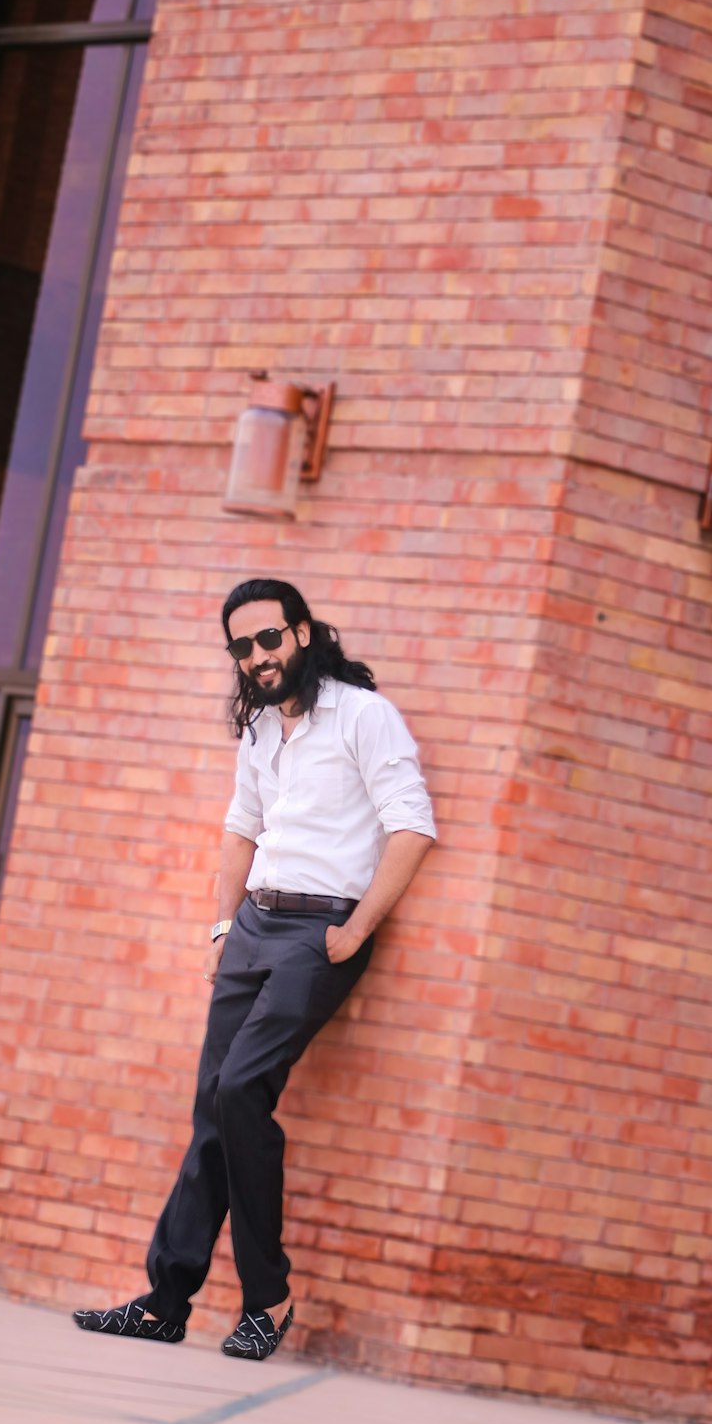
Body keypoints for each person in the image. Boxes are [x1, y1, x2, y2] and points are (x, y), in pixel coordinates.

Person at [73, 578, 435, 1360]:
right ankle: (167, 1300)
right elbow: (241, 829)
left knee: (241, 1089)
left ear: (302, 633)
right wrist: (219, 926)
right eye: (242, 646)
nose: (258, 657)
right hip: (252, 925)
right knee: (214, 1104)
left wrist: (358, 928)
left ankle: (267, 1299)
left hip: (320, 931)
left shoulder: (365, 717)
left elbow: (412, 827)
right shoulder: (262, 730)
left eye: (269, 638)